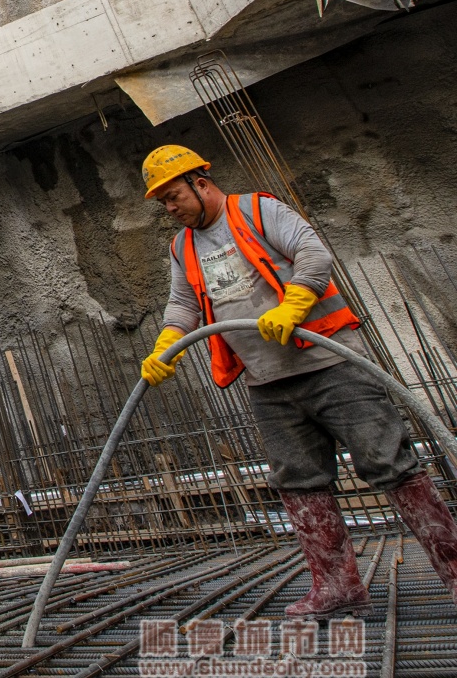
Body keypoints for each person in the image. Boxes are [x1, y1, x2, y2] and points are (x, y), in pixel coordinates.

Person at [140, 145, 457, 618]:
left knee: (391, 465)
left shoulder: (258, 210)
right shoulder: (181, 247)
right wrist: (166, 345)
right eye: (163, 201)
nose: (169, 208)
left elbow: (313, 252)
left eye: (173, 196)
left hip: (333, 366)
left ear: (200, 183)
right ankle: (337, 588)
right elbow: (183, 304)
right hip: (269, 383)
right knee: (299, 483)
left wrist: (294, 304)